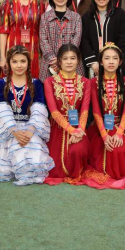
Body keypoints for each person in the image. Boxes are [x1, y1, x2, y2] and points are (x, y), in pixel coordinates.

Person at [0, 45, 54, 185]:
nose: (19, 65)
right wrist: (15, 131)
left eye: (23, 61)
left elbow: (39, 109)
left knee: (33, 164)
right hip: (9, 129)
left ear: (28, 63)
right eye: (15, 61)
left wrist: (30, 132)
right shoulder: (1, 84)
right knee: (2, 170)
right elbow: (0, 109)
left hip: (30, 129)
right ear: (8, 63)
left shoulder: (36, 83)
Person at [81, 43, 125, 189]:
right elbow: (96, 111)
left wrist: (119, 133)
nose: (111, 62)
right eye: (107, 58)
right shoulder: (93, 82)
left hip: (120, 126)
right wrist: (104, 136)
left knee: (118, 150)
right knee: (102, 150)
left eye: (115, 58)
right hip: (99, 128)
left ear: (120, 62)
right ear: (101, 62)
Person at [43, 44, 91, 185]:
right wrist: (71, 130)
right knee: (54, 166)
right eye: (65, 58)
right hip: (57, 128)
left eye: (73, 58)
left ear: (78, 60)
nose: (69, 62)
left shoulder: (85, 82)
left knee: (78, 151)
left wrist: (79, 131)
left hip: (79, 127)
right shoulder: (49, 82)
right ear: (59, 61)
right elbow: (54, 111)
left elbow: (85, 110)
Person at [0, 0, 43, 78]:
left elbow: (42, 31)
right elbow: (3, 32)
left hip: (33, 49)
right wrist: (3, 57)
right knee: (11, 81)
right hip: (12, 49)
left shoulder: (39, 5)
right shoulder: (7, 5)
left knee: (32, 81)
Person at [81, 0, 125, 77]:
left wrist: (113, 60)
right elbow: (84, 41)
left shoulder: (120, 14)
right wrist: (93, 62)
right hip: (94, 67)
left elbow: (124, 40)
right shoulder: (87, 17)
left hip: (115, 65)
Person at [39, 0, 84, 81]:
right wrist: (53, 59)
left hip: (71, 62)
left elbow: (76, 40)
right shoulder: (45, 17)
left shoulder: (76, 17)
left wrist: (64, 58)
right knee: (50, 88)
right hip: (50, 64)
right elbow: (43, 40)